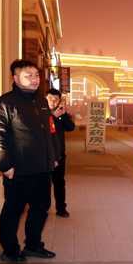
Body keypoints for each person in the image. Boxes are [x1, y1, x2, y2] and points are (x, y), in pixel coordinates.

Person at [0, 59, 58, 263]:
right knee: (13, 211)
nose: (35, 79)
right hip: (17, 170)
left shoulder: (41, 102)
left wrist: (53, 157)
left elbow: (49, 132)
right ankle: (10, 251)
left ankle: (33, 246)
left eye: (36, 75)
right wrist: (5, 165)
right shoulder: (4, 103)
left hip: (42, 168)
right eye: (29, 76)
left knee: (41, 208)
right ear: (16, 78)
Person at [46, 88, 76, 217]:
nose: (53, 102)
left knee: (59, 182)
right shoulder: (41, 114)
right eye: (50, 99)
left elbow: (71, 127)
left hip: (59, 155)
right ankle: (44, 208)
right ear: (45, 99)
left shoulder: (61, 114)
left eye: (56, 99)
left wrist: (63, 115)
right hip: (45, 156)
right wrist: (53, 116)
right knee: (45, 184)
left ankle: (61, 209)